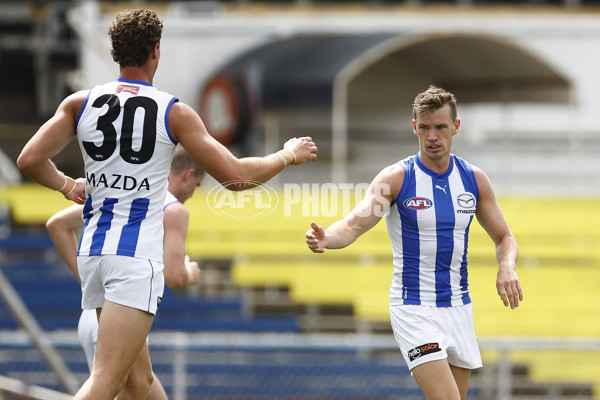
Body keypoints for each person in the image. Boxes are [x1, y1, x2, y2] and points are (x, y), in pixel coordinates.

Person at [17, 8, 317, 399]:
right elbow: (236, 177)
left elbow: (29, 160)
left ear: (114, 53)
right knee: (106, 380)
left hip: (93, 248)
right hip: (134, 258)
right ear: (155, 51)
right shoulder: (171, 110)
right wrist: (286, 156)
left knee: (139, 384)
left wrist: (66, 184)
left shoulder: (80, 103)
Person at [305, 85, 522, 400]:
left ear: (455, 127)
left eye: (440, 127)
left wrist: (507, 266)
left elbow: (505, 237)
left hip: (459, 307)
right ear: (414, 128)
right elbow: (353, 224)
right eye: (424, 128)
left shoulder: (474, 180)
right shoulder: (396, 179)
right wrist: (327, 237)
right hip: (414, 308)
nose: (432, 135)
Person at [45, 146, 204, 399]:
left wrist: (91, 283)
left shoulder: (125, 196)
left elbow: (58, 224)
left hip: (100, 313)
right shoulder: (172, 209)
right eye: (195, 186)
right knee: (110, 384)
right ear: (188, 175)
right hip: (119, 311)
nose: (191, 195)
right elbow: (174, 277)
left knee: (140, 385)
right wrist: (190, 273)